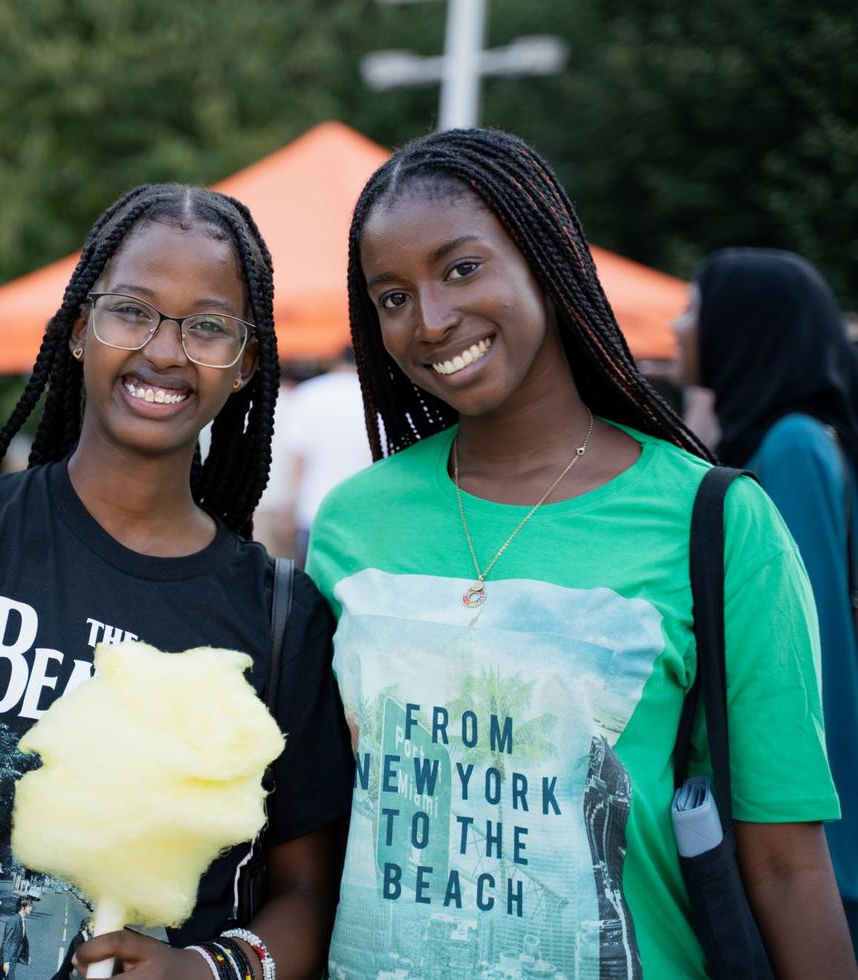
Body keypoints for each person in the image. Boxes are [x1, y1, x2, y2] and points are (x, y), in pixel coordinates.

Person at [309, 128, 856, 978]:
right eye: (391, 297)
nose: (431, 319)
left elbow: (785, 862)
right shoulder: (354, 524)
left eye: (461, 268)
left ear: (545, 257)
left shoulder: (716, 521)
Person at [0, 183, 352, 980]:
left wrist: (210, 971)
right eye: (132, 311)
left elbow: (308, 892)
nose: (164, 351)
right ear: (80, 328)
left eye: (208, 327)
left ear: (246, 364)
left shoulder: (280, 616)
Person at [673, 247, 858, 949]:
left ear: (743, 328)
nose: (677, 324)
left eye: (695, 307)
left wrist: (826, 849)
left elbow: (809, 654)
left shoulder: (794, 447)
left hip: (811, 828)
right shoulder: (783, 437)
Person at [280, 346, 372, 560]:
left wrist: (289, 508)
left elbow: (298, 458)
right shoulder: (378, 393)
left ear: (334, 362)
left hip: (314, 509)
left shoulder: (310, 392)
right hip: (366, 510)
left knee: (313, 584)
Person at [0, 897, 32, 980]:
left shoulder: (22, 920)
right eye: (29, 906)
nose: (31, 908)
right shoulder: (13, 920)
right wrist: (6, 961)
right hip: (9, 958)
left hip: (13, 956)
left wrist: (27, 955)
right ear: (23, 907)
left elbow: (23, 941)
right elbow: (6, 941)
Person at [51, 915, 92, 980]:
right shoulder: (79, 938)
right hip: (69, 970)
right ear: (85, 927)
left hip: (70, 971)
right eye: (92, 926)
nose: (94, 929)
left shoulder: (84, 938)